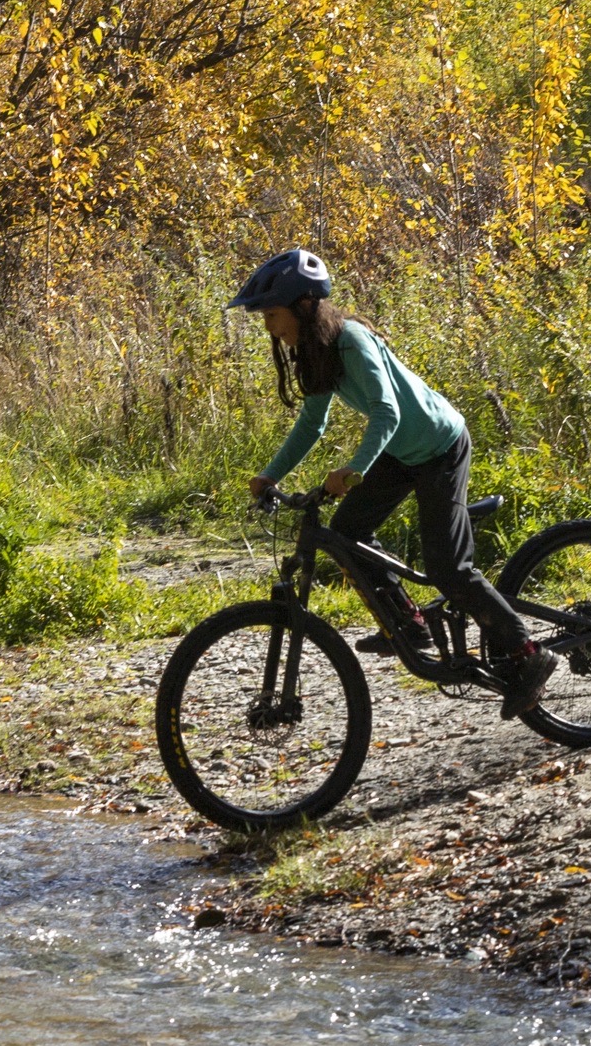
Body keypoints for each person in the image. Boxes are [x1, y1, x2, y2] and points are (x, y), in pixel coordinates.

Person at [229, 247, 556, 720]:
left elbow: (388, 411)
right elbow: (311, 425)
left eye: (273, 315)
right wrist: (270, 475)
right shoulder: (316, 351)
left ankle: (528, 653)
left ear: (302, 306)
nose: (269, 327)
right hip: (401, 453)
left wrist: (356, 467)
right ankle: (409, 623)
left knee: (449, 568)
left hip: (441, 446)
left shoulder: (352, 340)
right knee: (346, 534)